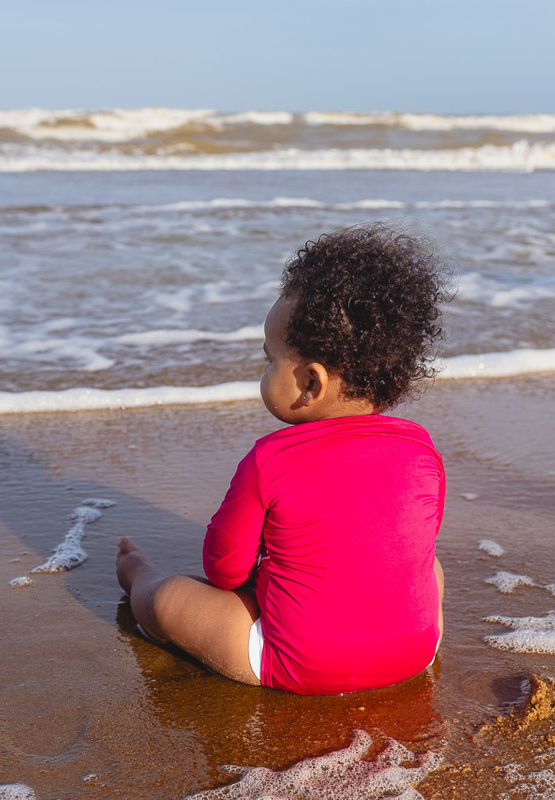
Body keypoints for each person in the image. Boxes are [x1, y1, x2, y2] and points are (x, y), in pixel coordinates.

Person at [116, 222, 449, 695]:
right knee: (429, 566)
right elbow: (413, 544)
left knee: (172, 599)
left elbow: (224, 570)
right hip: (416, 650)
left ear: (311, 384)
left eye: (269, 359)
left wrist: (258, 581)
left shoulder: (270, 459)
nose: (265, 369)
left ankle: (136, 576)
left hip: (298, 664)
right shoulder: (421, 449)